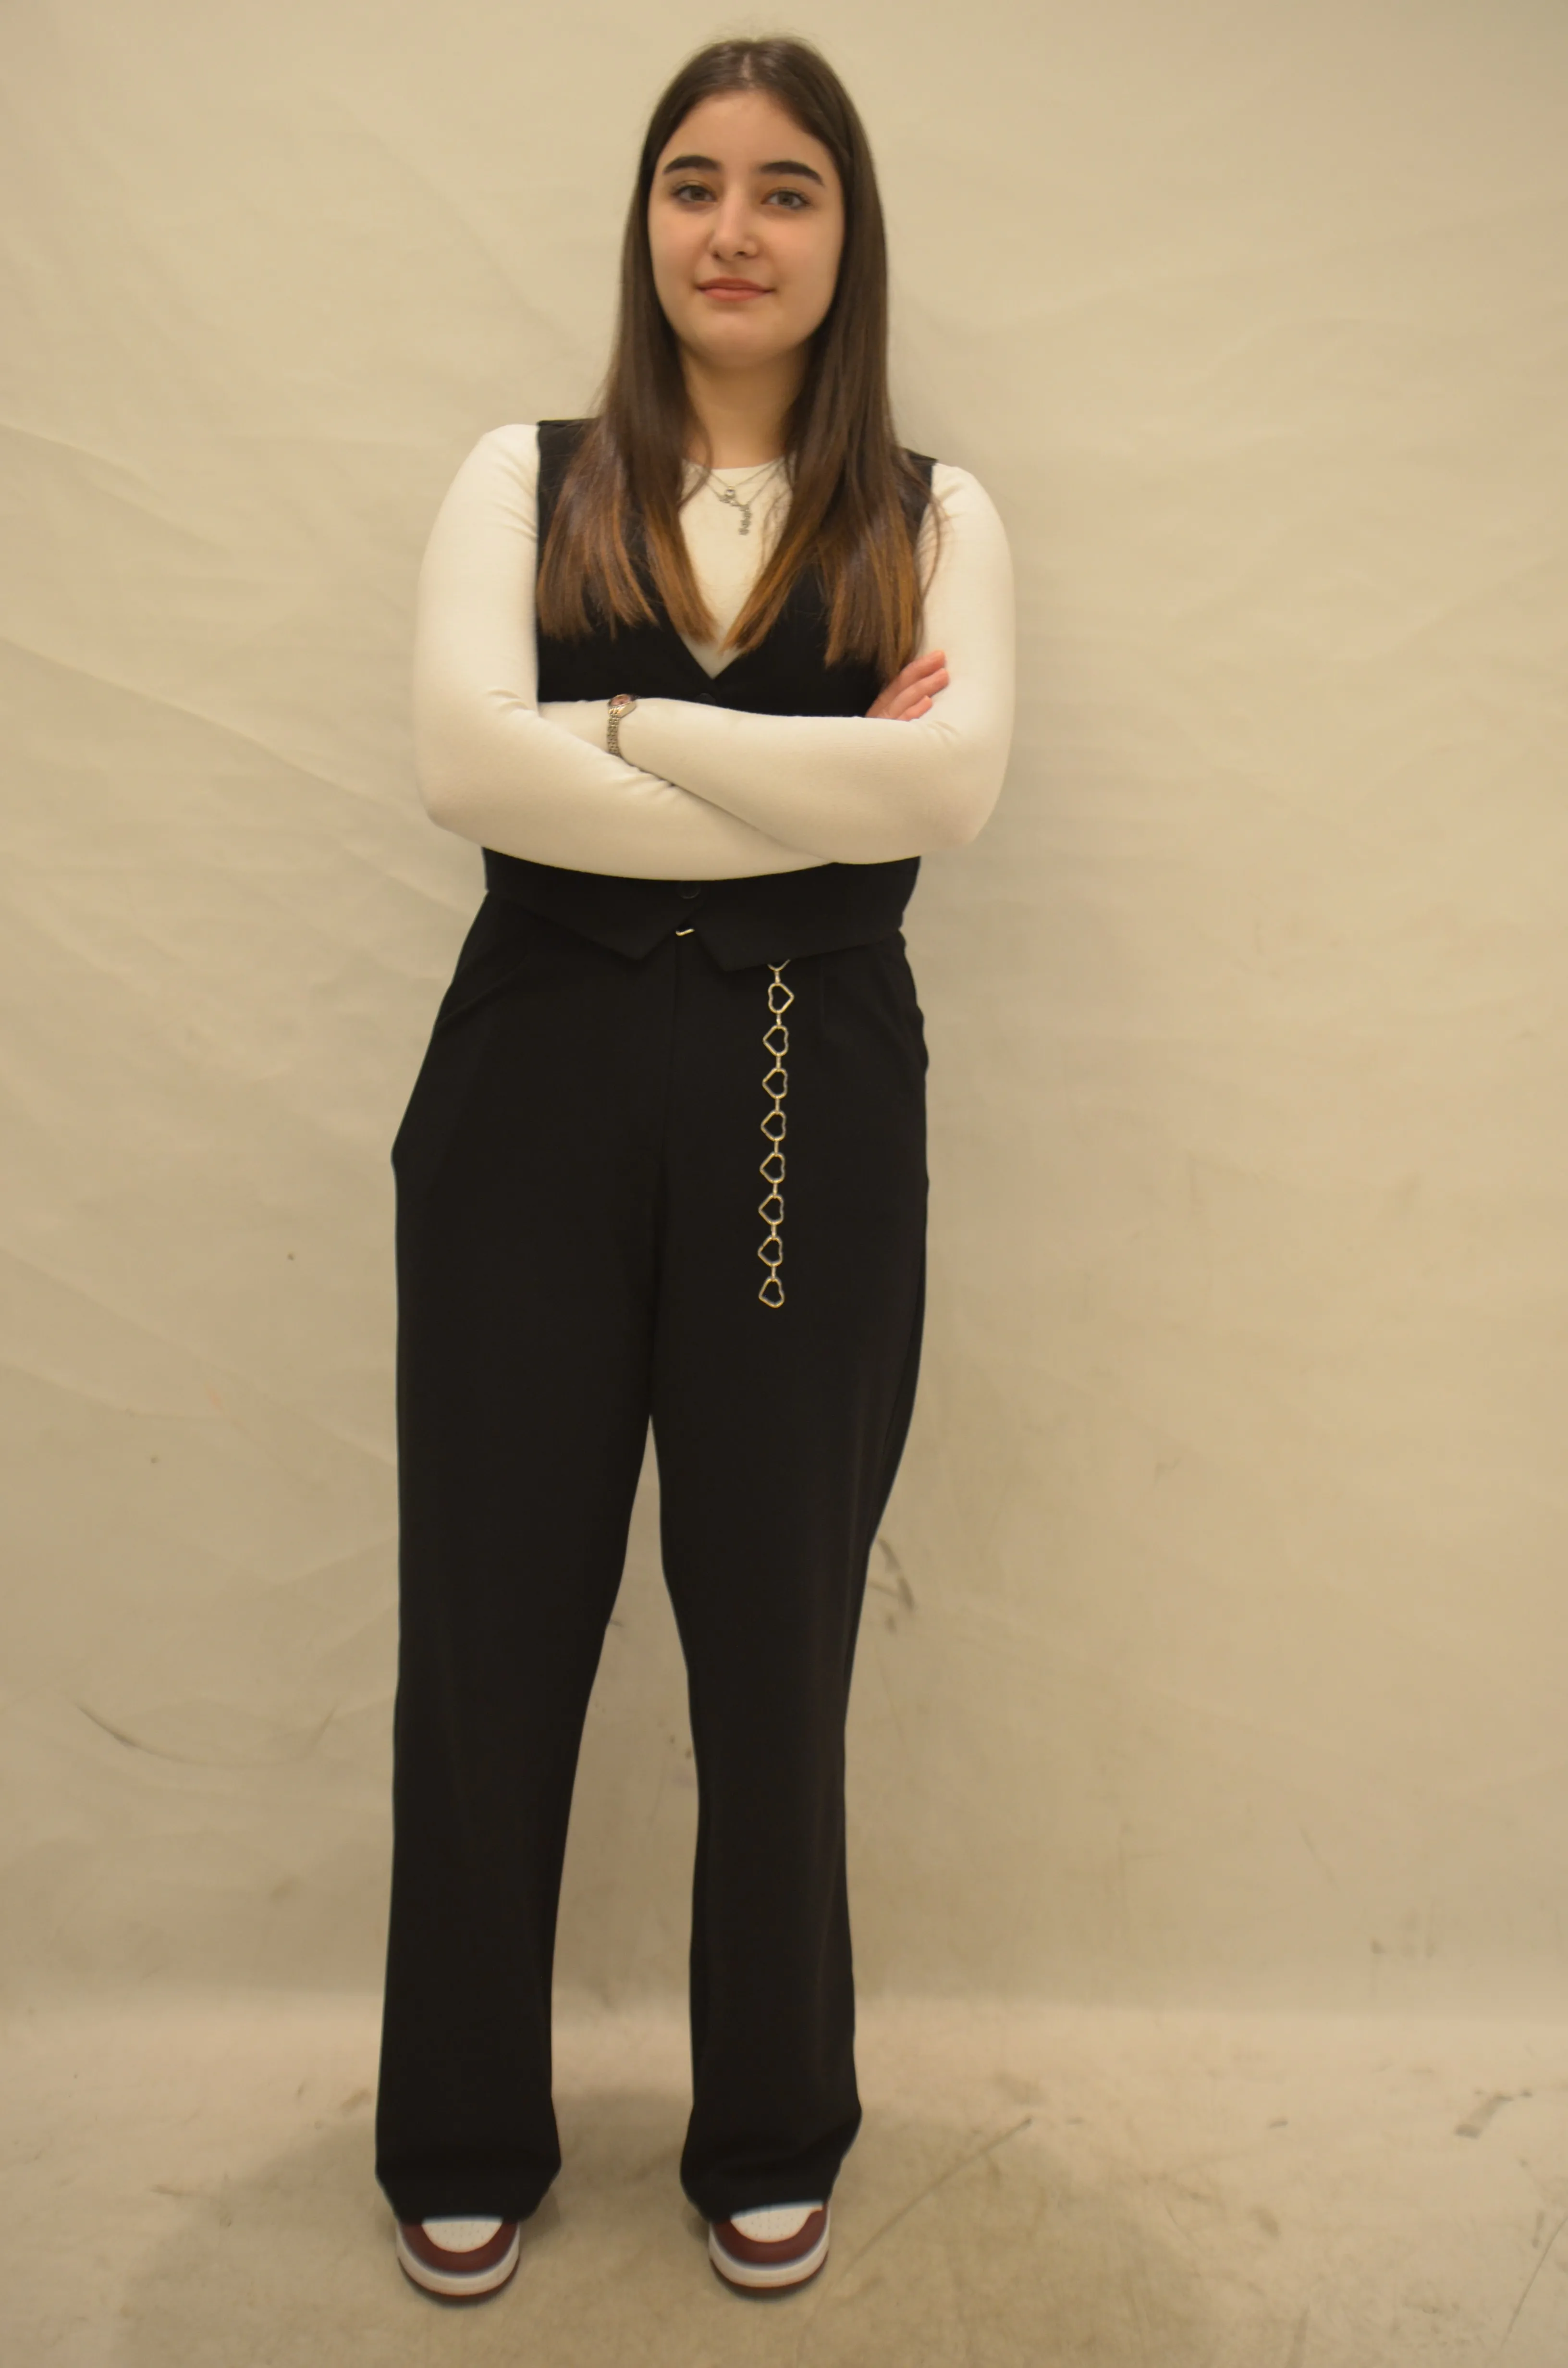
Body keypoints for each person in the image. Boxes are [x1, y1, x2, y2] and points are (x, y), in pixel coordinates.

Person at [373, 31, 1016, 2305]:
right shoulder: (521, 477)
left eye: (786, 188)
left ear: (848, 236)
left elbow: (945, 799)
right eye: (693, 183)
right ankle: (462, 2119)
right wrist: (807, 768)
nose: (734, 229)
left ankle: (772, 2122)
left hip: (803, 1105)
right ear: (647, 220)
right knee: (490, 1631)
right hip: (528, 1102)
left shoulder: (937, 516)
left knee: (773, 1640)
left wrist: (624, 725)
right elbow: (470, 768)